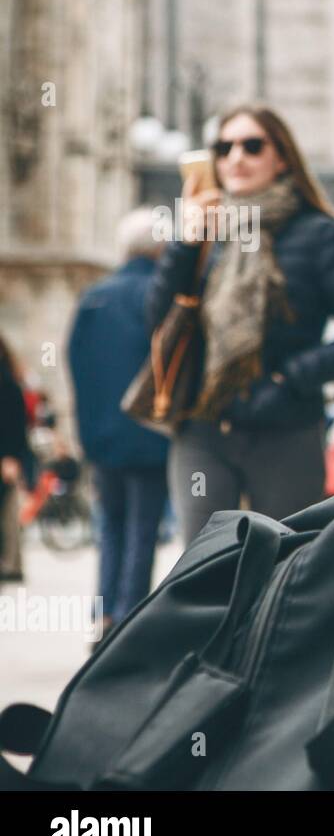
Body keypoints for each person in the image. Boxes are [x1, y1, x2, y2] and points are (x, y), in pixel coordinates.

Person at [147, 104, 334, 545]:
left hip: (286, 428)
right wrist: (185, 241)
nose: (236, 157)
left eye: (252, 146)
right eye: (224, 147)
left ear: (281, 157)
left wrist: (291, 378)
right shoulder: (205, 230)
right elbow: (159, 318)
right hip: (203, 424)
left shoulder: (319, 234)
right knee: (202, 569)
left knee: (285, 563)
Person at [68, 209, 174, 634]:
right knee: (143, 529)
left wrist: (87, 431)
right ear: (161, 247)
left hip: (102, 438)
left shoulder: (93, 297)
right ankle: (127, 621)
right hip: (150, 435)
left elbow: (76, 364)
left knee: (110, 526)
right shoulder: (158, 294)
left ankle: (105, 613)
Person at [0, 336, 32, 582]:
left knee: (8, 512)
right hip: (7, 456)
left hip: (5, 457)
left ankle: (10, 565)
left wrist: (11, 456)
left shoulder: (7, 381)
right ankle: (11, 564)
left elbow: (14, 421)